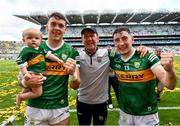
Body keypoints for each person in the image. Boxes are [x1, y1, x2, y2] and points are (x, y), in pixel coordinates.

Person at [76, 26, 148, 125]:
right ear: (82, 40)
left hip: (101, 102)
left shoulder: (109, 54)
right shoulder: (76, 55)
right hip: (82, 101)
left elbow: (127, 53)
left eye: (92, 36)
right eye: (86, 36)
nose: (89, 39)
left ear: (98, 38)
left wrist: (141, 48)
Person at [18, 12, 80, 125]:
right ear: (46, 27)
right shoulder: (34, 47)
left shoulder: (71, 51)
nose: (57, 28)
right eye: (53, 24)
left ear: (65, 29)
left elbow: (75, 86)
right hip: (35, 106)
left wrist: (73, 75)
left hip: (60, 107)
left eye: (61, 25)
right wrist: (26, 82)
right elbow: (20, 80)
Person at [109, 26, 177, 125]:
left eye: (124, 38)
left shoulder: (146, 56)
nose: (121, 43)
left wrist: (170, 70)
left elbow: (170, 84)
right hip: (125, 113)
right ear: (114, 43)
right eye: (117, 40)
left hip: (147, 114)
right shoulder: (114, 60)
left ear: (132, 39)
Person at [16, 28, 63, 106]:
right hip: (32, 73)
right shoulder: (26, 50)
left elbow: (48, 55)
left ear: (41, 40)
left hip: (35, 72)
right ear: (24, 40)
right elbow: (20, 62)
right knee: (37, 93)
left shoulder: (40, 48)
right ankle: (21, 97)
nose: (33, 40)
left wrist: (57, 59)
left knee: (27, 88)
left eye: (36, 38)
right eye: (29, 38)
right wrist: (25, 73)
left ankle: (22, 96)